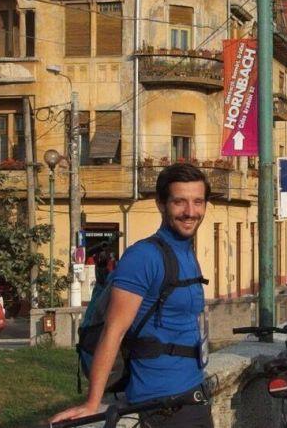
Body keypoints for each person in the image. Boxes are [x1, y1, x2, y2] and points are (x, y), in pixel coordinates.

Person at [51, 163, 214, 428]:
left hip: (193, 396)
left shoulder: (186, 252)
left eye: (198, 202)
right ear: (161, 204)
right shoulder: (143, 257)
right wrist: (93, 404)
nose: (190, 212)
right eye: (179, 202)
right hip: (161, 407)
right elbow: (113, 331)